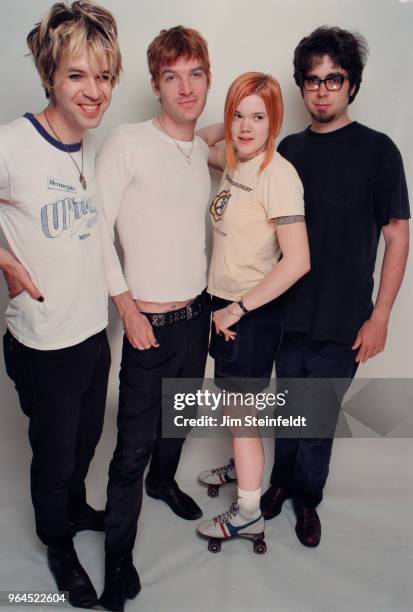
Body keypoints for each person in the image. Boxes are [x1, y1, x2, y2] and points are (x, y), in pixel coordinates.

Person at [260, 26, 410, 548]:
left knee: (317, 418)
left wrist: (382, 316)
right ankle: (277, 483)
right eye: (312, 80)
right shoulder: (286, 150)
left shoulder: (379, 151)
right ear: (302, 86)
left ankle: (307, 500)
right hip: (286, 314)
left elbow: (396, 235)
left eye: (334, 79)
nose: (322, 90)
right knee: (287, 407)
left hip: (344, 319)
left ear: (352, 85)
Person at [0, 0, 122, 607]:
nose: (94, 91)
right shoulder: (12, 145)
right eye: (77, 75)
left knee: (84, 441)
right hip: (43, 342)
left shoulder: (94, 149)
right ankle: (57, 543)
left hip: (90, 335)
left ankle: (74, 509)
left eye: (103, 76)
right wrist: (3, 259)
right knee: (52, 456)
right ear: (49, 74)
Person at [95, 26, 212, 611]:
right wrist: (127, 308)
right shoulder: (127, 141)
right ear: (156, 85)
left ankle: (165, 483)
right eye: (172, 77)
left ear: (207, 78)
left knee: (180, 417)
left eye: (195, 74)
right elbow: (95, 230)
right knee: (131, 449)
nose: (185, 87)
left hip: (198, 317)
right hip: (149, 323)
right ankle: (119, 556)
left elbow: (213, 137)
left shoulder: (202, 149)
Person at [195, 72, 310, 550]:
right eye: (238, 115)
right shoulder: (233, 160)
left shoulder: (277, 176)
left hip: (250, 313)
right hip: (224, 307)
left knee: (243, 415)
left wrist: (237, 309)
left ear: (274, 121)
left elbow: (299, 262)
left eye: (258, 117)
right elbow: (198, 142)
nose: (245, 126)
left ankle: (248, 513)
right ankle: (244, 467)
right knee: (235, 406)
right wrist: (230, 121)